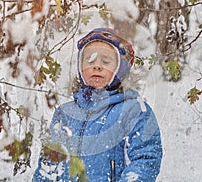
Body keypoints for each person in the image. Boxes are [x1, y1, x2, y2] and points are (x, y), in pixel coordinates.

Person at [33, 28, 163, 182]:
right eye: (90, 60)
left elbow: (145, 159)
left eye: (106, 61)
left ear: (120, 69)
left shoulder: (133, 110)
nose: (97, 66)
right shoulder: (65, 114)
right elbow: (49, 166)